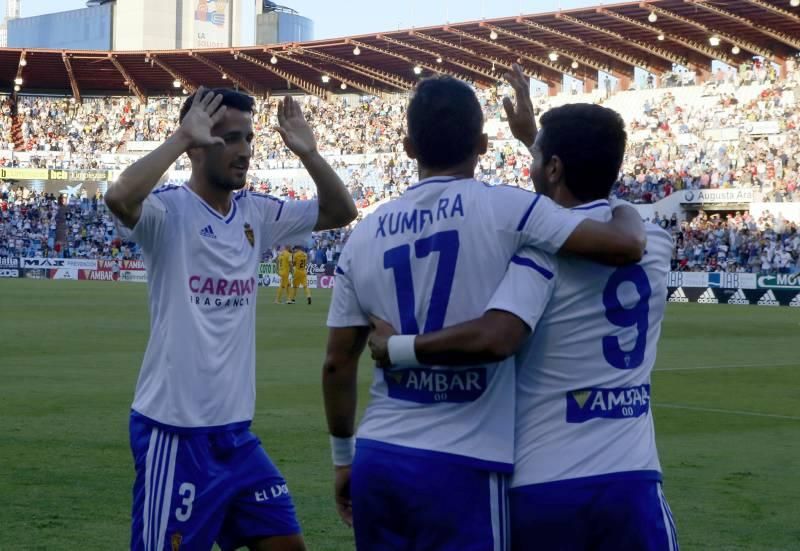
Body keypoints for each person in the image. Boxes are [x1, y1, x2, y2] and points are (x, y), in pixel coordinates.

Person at [321, 65, 646, 550]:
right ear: (483, 145)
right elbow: (615, 236)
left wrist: (344, 458)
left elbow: (336, 362)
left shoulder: (362, 235)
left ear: (408, 149)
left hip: (380, 454)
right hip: (464, 461)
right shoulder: (513, 211)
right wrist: (622, 204)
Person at [104, 87, 356, 551]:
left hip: (236, 435)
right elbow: (119, 197)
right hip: (175, 433)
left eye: (249, 139)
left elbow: (342, 211)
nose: (244, 151)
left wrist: (310, 153)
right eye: (231, 139)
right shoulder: (168, 212)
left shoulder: (255, 213)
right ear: (199, 145)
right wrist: (181, 137)